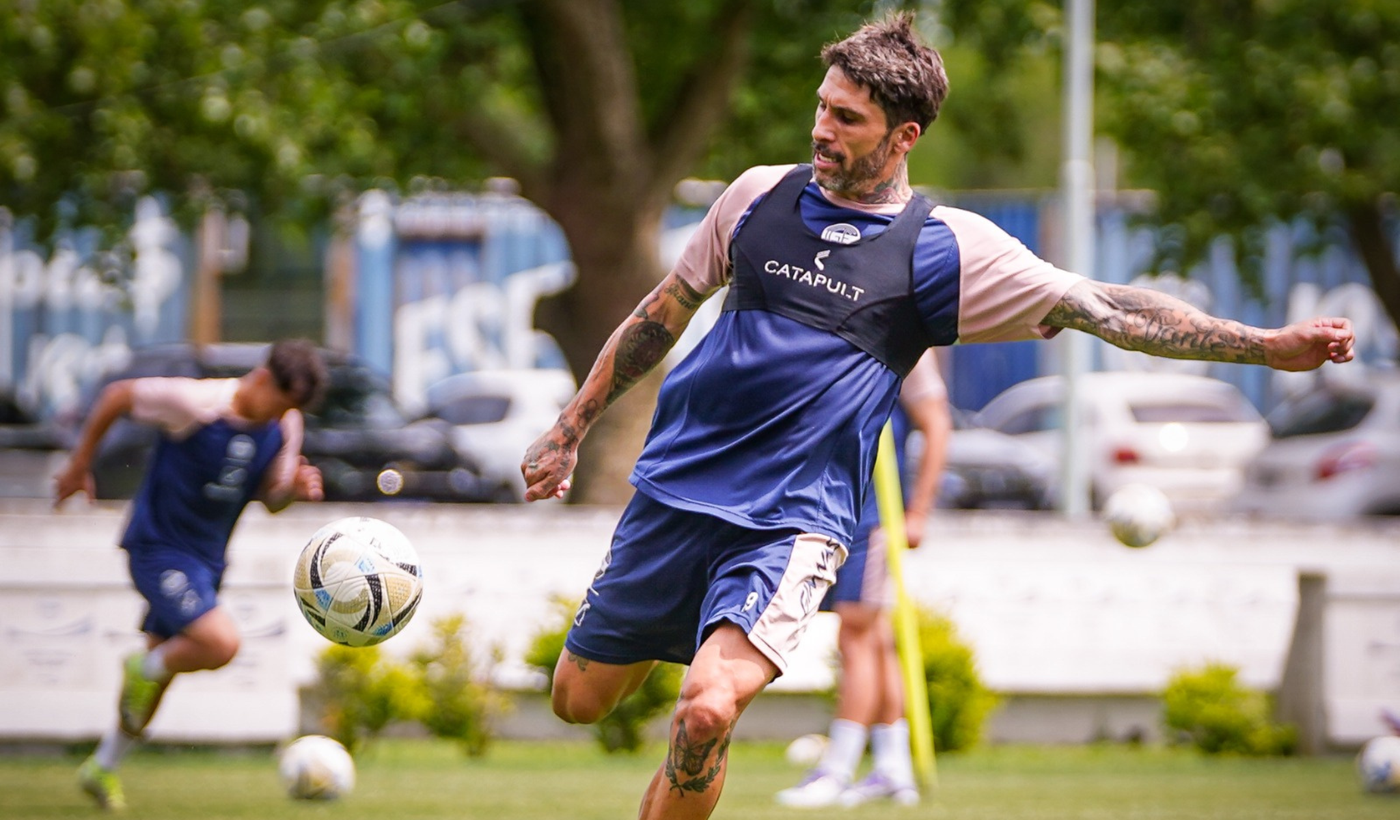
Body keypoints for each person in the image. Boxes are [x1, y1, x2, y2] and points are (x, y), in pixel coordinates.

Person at [521, 13, 1354, 820]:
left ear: (903, 135)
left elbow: (1108, 308)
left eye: (845, 118)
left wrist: (1268, 346)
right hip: (676, 494)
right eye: (820, 106)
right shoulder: (754, 198)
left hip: (790, 523)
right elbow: (661, 312)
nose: (821, 129)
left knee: (705, 713)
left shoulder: (946, 250)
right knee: (578, 701)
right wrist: (572, 426)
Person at [53, 339, 329, 812]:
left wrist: (294, 490)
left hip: (206, 562)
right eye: (279, 402)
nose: (279, 414)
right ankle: (143, 669)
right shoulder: (194, 403)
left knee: (157, 679)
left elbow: (271, 497)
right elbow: (119, 394)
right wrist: (80, 464)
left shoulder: (285, 423)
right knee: (219, 643)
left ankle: (103, 765)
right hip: (157, 547)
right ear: (262, 378)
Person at [775, 349, 950, 809]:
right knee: (875, 638)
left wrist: (918, 511)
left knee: (856, 632)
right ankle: (893, 768)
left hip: (874, 515)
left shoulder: (909, 340)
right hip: (831, 507)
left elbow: (936, 423)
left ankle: (837, 768)